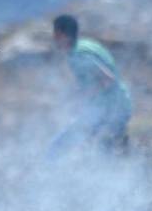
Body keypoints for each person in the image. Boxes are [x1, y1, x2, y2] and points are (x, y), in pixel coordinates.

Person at [50, 14, 132, 155]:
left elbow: (106, 78)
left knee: (58, 147)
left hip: (110, 111)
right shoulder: (88, 45)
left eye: (55, 33)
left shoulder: (78, 54)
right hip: (118, 107)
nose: (54, 38)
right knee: (102, 152)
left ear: (60, 34)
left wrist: (80, 96)